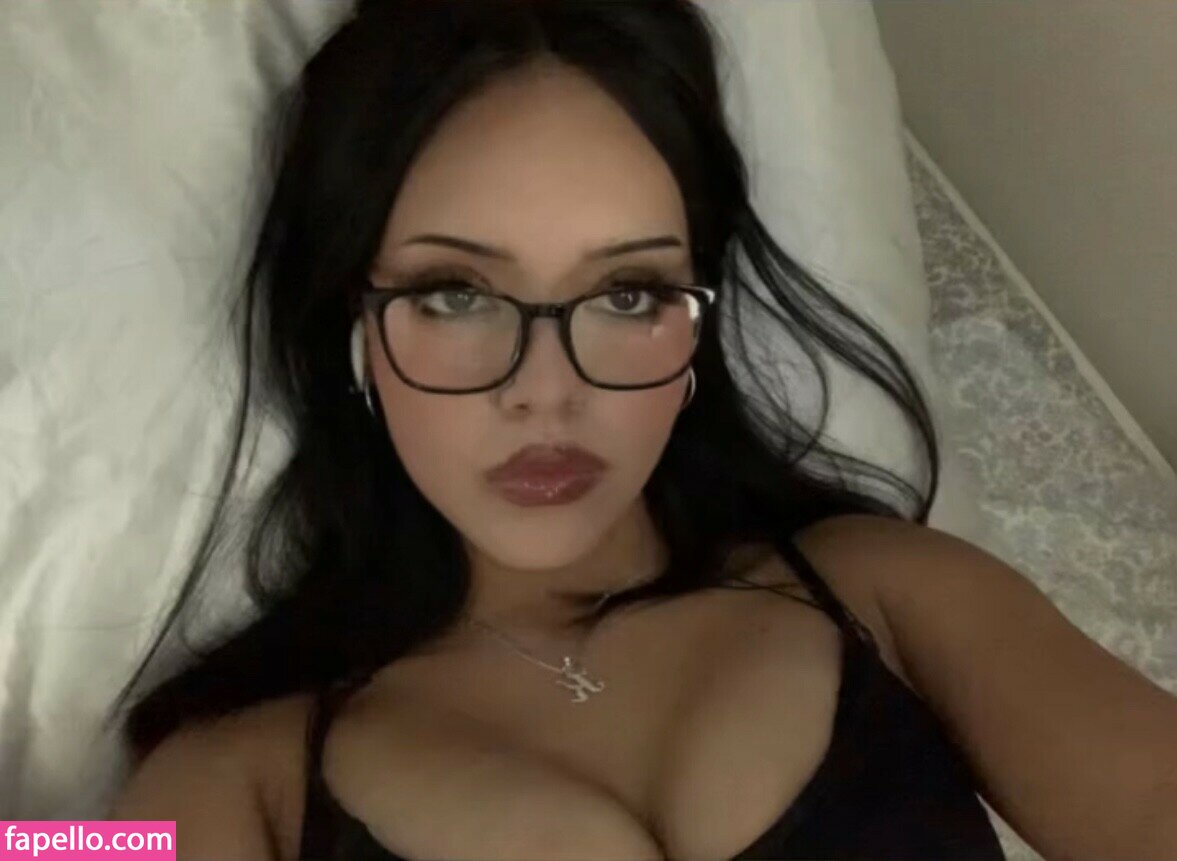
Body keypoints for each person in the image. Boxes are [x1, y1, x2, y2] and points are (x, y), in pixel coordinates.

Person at [107, 1, 1177, 859]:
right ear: (353, 328)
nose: (546, 390)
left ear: (695, 325)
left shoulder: (895, 590)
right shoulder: (231, 774)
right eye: (455, 294)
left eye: (627, 295)